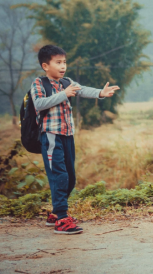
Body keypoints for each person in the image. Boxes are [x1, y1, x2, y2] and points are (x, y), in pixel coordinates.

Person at [31, 45, 120, 234]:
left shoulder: (67, 82)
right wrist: (64, 94)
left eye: (64, 62)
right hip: (51, 136)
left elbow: (82, 90)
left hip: (67, 136)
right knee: (59, 176)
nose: (63, 66)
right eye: (58, 62)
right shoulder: (39, 83)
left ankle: (56, 213)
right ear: (46, 65)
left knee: (70, 177)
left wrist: (100, 93)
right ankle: (62, 218)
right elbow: (38, 104)